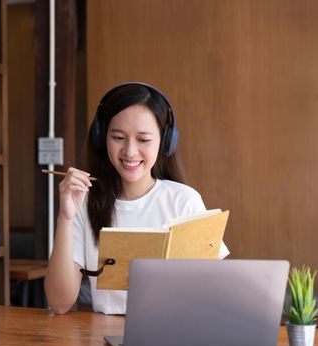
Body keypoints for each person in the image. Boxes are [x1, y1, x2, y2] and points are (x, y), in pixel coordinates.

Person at [44, 82, 229, 315]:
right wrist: (65, 217)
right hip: (104, 336)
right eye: (119, 137)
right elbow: (59, 303)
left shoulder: (184, 201)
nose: (130, 152)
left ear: (165, 141)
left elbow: (216, 292)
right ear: (102, 138)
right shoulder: (84, 202)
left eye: (143, 140)